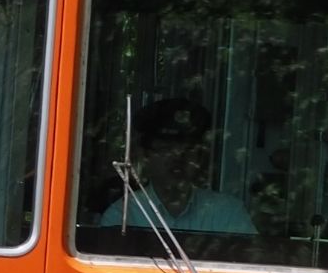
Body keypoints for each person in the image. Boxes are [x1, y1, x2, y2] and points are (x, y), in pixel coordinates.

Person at [101, 96, 256, 235]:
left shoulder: (228, 213)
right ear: (146, 156)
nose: (178, 158)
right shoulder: (122, 216)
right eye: (166, 149)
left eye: (188, 149)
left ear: (200, 158)